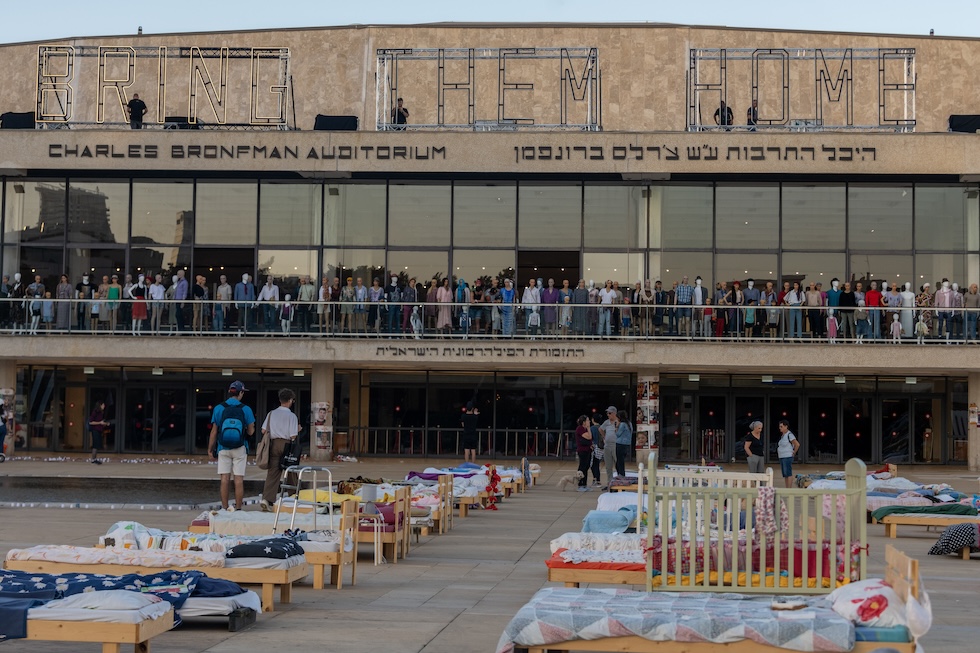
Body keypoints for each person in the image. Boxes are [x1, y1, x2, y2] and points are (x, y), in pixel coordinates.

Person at [208, 381, 256, 511]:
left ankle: (224, 508)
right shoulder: (246, 409)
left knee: (224, 478)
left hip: (223, 447)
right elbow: (251, 431)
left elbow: (214, 431)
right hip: (240, 447)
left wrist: (210, 449)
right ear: (241, 393)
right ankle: (238, 508)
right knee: (238, 479)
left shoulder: (219, 408)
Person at [259, 388, 299, 512]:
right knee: (291, 471)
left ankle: (267, 499)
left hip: (274, 444)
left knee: (273, 473)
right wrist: (298, 429)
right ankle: (294, 497)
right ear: (290, 400)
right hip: (287, 445)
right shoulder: (292, 416)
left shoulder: (271, 413)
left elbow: (263, 430)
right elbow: (293, 435)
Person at [599, 406, 619, 488]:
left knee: (618, 463)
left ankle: (619, 481)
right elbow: (600, 429)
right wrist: (604, 436)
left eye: (610, 413)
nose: (608, 415)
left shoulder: (618, 422)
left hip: (615, 445)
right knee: (608, 465)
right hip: (607, 445)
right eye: (607, 413)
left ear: (614, 413)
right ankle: (609, 482)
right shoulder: (606, 422)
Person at [776, 419, 800, 488]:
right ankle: (787, 487)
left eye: (781, 426)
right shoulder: (783, 436)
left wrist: (794, 452)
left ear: (786, 426)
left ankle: (789, 488)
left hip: (787, 456)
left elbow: (797, 444)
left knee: (788, 473)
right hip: (782, 456)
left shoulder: (790, 435)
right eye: (779, 426)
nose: (780, 428)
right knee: (785, 474)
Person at [574, 415, 595, 491]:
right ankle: (580, 484)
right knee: (582, 467)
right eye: (587, 420)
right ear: (583, 422)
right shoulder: (580, 428)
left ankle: (584, 484)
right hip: (582, 450)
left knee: (586, 467)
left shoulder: (585, 429)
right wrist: (589, 428)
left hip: (588, 450)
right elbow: (589, 437)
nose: (589, 421)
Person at [87, 400, 109, 464]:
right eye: (103, 405)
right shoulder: (95, 412)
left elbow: (100, 422)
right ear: (100, 405)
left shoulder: (101, 413)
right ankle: (93, 459)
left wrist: (104, 424)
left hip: (99, 430)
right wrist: (100, 422)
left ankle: (94, 458)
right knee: (95, 445)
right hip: (95, 430)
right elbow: (91, 422)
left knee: (97, 445)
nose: (104, 406)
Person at [615, 410, 633, 477]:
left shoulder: (622, 424)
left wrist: (617, 427)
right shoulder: (629, 423)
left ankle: (621, 474)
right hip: (627, 444)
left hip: (620, 444)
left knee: (619, 461)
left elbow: (618, 434)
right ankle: (621, 474)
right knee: (621, 460)